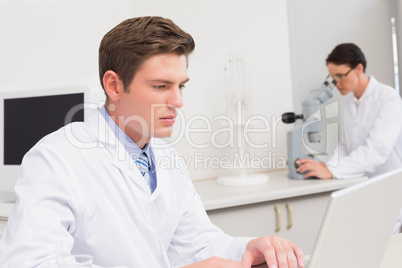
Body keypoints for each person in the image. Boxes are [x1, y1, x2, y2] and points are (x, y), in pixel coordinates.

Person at [0, 16, 305, 268]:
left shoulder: (165, 157)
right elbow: (31, 263)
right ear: (114, 85)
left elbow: (197, 242)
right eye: (161, 86)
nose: (178, 101)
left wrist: (251, 249)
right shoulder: (57, 158)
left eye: (181, 86)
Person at [297, 43, 402, 232]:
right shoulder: (348, 104)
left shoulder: (388, 98)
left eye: (340, 76)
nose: (336, 83)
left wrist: (332, 170)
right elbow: (345, 146)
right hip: (362, 188)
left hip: (390, 191)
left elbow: (376, 151)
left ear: (359, 68)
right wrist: (326, 167)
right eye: (332, 77)